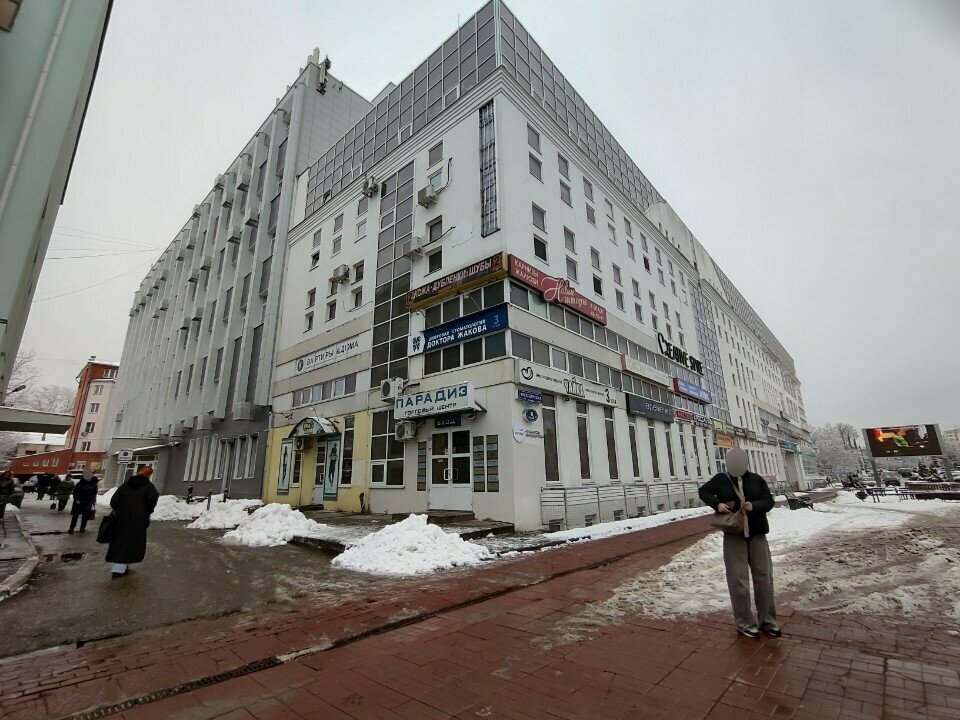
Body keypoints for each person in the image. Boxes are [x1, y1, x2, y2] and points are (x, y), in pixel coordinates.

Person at [699, 448, 781, 639]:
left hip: (757, 534)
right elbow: (704, 491)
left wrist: (755, 506)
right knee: (738, 580)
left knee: (764, 577)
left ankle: (768, 621)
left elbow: (769, 501)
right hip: (734, 535)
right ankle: (744, 622)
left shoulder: (756, 480)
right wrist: (717, 504)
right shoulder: (721, 479)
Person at [105, 466, 159, 578]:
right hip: (138, 521)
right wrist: (144, 512)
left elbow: (114, 501)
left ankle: (119, 568)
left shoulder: (126, 485)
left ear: (139, 472)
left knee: (119, 542)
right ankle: (120, 569)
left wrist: (120, 509)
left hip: (121, 519)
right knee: (131, 543)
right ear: (149, 475)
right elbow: (151, 503)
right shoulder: (149, 487)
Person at [68, 469, 99, 534]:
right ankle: (71, 528)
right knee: (75, 516)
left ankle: (82, 528)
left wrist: (94, 501)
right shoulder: (80, 483)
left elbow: (94, 493)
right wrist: (77, 499)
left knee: (85, 516)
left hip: (88, 502)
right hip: (79, 502)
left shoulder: (93, 483)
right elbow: (76, 492)